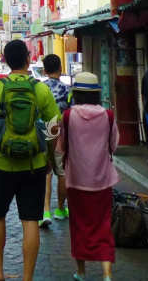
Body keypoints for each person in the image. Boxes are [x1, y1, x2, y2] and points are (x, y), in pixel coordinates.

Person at [0, 40, 59, 281]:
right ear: (28, 60)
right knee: (30, 220)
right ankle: (27, 278)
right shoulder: (41, 89)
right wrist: (47, 156)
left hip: (2, 163)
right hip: (34, 166)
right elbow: (54, 127)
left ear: (4, 60)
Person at [57, 72, 119, 281]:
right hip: (102, 180)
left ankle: (81, 272)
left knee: (79, 225)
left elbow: (62, 146)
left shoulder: (68, 116)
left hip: (76, 180)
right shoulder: (108, 115)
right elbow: (113, 145)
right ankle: (107, 274)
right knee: (103, 224)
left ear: (75, 93)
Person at [40, 53, 70, 227]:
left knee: (45, 173)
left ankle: (45, 211)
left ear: (44, 70)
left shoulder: (40, 88)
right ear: (60, 68)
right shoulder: (67, 90)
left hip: (42, 132)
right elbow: (70, 113)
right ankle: (60, 209)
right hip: (60, 134)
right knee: (61, 173)